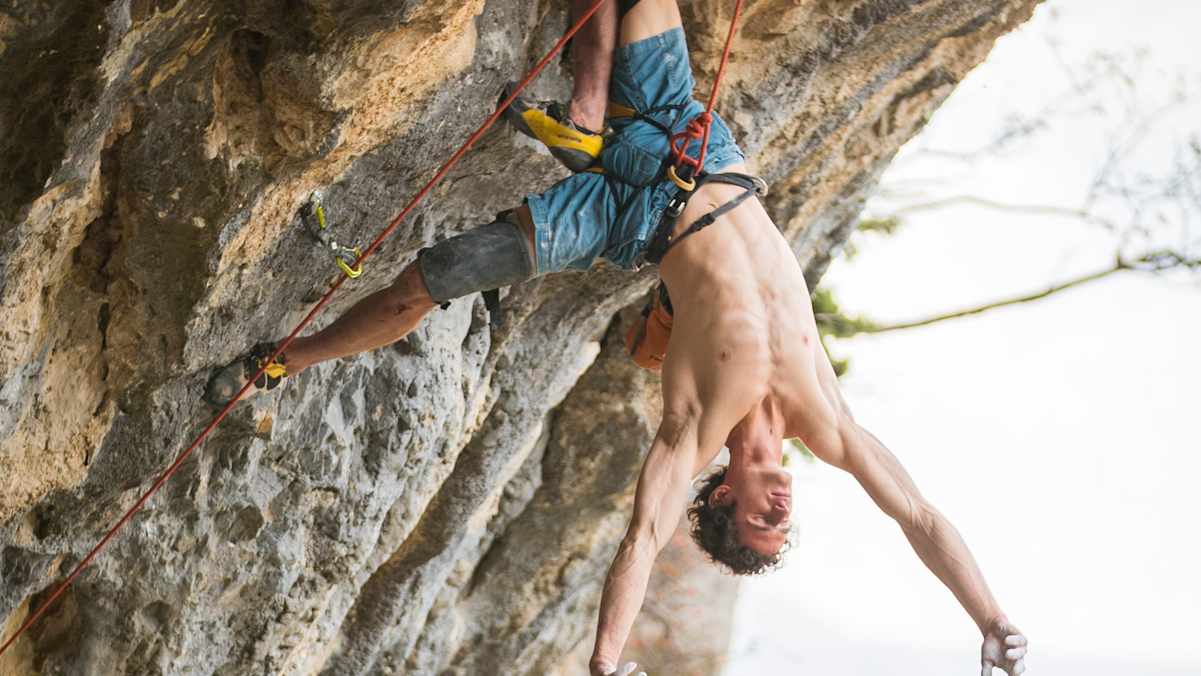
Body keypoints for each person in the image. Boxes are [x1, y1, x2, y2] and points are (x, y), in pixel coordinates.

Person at [204, 1, 1029, 674]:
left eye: (758, 519)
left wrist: (602, 663)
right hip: (690, 144)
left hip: (628, 217)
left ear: (718, 499)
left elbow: (638, 541)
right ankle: (587, 113)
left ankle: (284, 360)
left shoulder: (693, 426)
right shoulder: (829, 420)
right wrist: (991, 618)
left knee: (435, 276)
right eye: (783, 518)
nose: (780, 505)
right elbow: (919, 515)